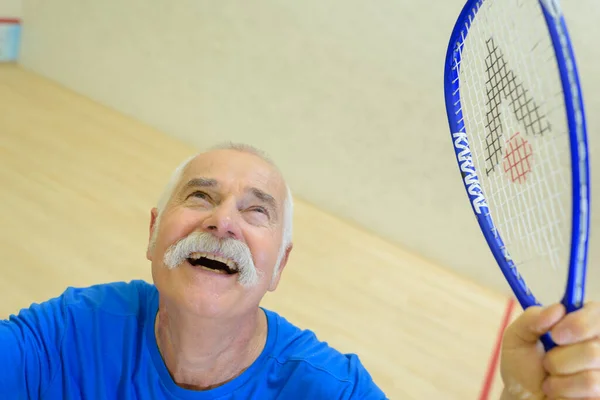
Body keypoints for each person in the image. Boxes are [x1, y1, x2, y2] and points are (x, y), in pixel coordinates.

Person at [0, 143, 598, 400]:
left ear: (278, 267)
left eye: (255, 210)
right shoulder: (70, 332)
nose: (224, 222)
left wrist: (520, 396)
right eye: (201, 198)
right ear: (153, 235)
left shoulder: (326, 388)